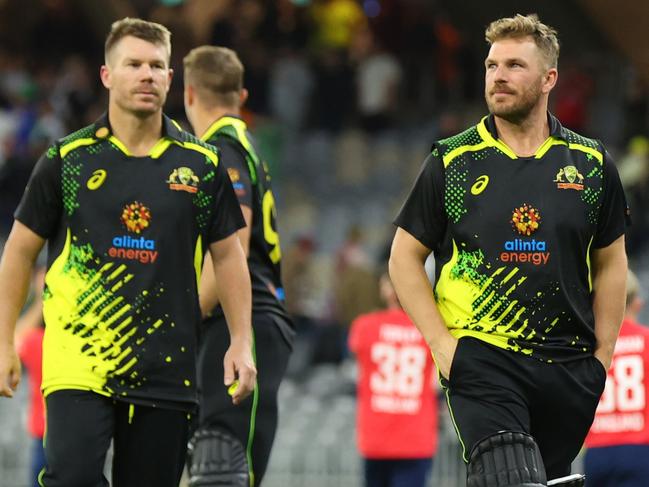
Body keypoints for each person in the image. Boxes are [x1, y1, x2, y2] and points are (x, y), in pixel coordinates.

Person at [0, 18, 256, 487]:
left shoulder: (201, 165)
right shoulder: (67, 160)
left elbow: (229, 257)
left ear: (171, 80)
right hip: (80, 358)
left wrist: (241, 340)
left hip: (166, 365)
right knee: (71, 478)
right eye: (134, 64)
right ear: (107, 75)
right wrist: (2, 340)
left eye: (158, 66)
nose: (147, 75)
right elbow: (18, 251)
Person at [389, 13, 629, 487]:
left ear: (548, 79)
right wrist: (443, 347)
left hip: (570, 367)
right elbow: (403, 258)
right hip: (481, 356)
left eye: (514, 65)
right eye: (491, 65)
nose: (498, 76)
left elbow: (611, 262)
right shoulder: (452, 162)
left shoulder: (592, 164)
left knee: (545, 478)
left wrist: (601, 358)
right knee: (507, 476)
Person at [183, 45, 293, 487]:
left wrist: (184, 319)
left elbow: (233, 244)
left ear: (189, 94)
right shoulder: (245, 145)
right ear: (241, 94)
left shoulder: (221, 149)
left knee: (220, 466)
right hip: (254, 319)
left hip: (238, 319)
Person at [348, 272, 438, 487]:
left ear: (384, 289)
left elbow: (359, 372)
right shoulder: (432, 329)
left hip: (375, 435)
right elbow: (436, 382)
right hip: (416, 437)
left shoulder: (364, 327)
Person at [584, 269, 649, 486]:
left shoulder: (590, 347)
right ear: (637, 304)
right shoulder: (646, 342)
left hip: (596, 453)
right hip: (640, 449)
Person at [15, 265, 46, 487]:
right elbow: (12, 345)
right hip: (42, 434)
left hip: (78, 432)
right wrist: (41, 302)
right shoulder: (35, 337)